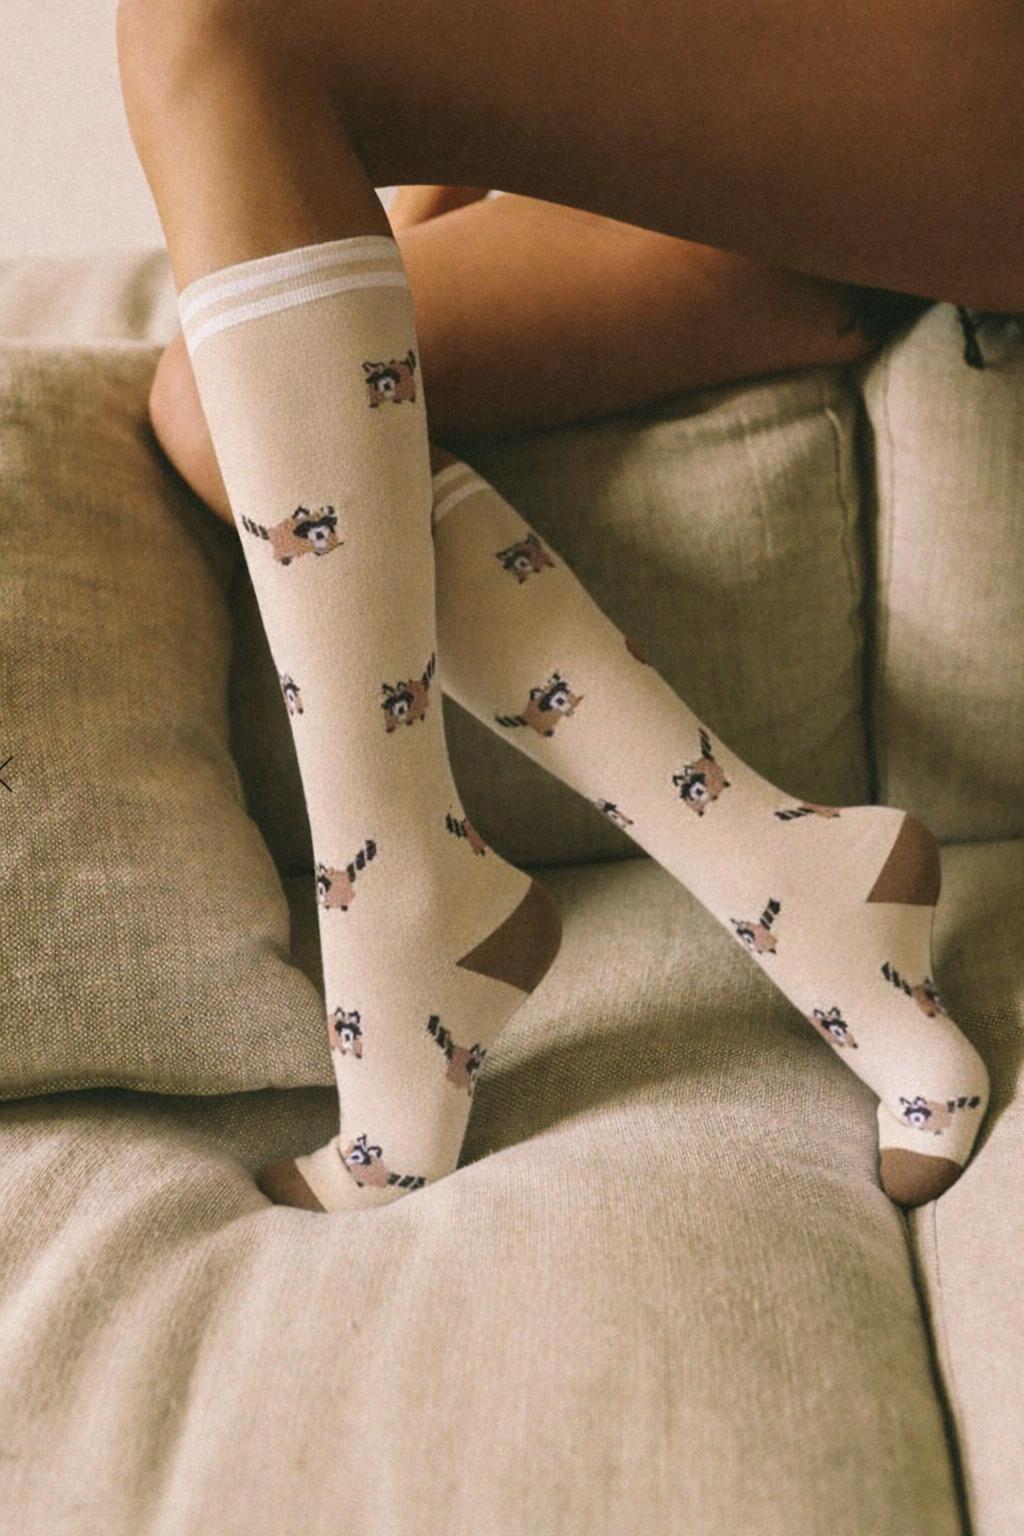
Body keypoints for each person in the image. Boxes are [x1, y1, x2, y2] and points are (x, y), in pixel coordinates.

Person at [116, 0, 1018, 1213]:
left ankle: (399, 924)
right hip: (800, 130)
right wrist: (362, 246)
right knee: (220, 409)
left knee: (200, 22)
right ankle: (790, 877)